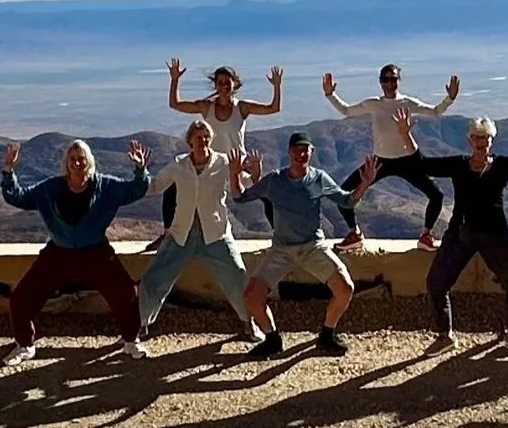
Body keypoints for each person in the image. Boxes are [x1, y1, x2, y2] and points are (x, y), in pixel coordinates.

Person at [389, 104, 508, 357]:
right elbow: (422, 164)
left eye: (485, 138)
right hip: (459, 233)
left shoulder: (502, 166)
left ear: (492, 140)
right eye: (476, 137)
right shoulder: (458, 165)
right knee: (436, 283)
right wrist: (404, 133)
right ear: (469, 139)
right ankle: (445, 336)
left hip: (495, 234)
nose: (480, 142)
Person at [0, 138, 152, 366]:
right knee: (21, 297)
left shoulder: (106, 187)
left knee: (126, 294)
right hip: (58, 254)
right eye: (73, 159)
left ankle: (131, 340)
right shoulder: (49, 188)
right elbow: (18, 197)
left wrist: (140, 169)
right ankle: (25, 345)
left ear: (89, 161)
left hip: (96, 253)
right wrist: (9, 171)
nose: (77, 163)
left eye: (81, 159)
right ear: (66, 163)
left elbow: (136, 189)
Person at [230, 132, 377, 359]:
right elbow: (240, 197)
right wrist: (234, 175)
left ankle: (327, 335)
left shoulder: (319, 178)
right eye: (297, 149)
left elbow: (347, 200)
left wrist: (365, 184)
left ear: (312, 152)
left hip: (313, 247)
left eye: (305, 150)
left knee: (345, 289)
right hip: (281, 249)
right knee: (252, 296)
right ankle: (272, 339)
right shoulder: (275, 181)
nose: (301, 154)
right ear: (289, 152)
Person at [137, 119, 264, 344]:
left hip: (216, 233)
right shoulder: (178, 165)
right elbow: (155, 186)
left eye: (206, 137)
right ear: (189, 141)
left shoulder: (223, 163)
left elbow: (245, 186)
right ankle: (140, 324)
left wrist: (255, 173)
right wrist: (141, 170)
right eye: (198, 137)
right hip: (181, 233)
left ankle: (249, 323)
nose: (202, 141)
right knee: (154, 278)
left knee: (237, 275)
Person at [324, 64, 461, 251]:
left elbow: (435, 111)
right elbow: (347, 111)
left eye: (393, 79)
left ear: (399, 80)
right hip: (380, 161)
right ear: (380, 82)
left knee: (436, 195)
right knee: (344, 194)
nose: (390, 83)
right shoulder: (374, 103)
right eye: (386, 79)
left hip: (408, 161)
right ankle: (354, 233)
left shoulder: (408, 103)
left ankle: (426, 235)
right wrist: (331, 95)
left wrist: (449, 99)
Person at [161, 58, 283, 238]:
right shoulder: (206, 107)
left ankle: (281, 235)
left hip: (237, 167)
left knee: (268, 194)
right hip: (211, 167)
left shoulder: (242, 108)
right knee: (172, 189)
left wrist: (277, 86)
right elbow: (175, 104)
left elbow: (273, 108)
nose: (224, 86)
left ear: (235, 84)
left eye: (228, 82)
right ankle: (167, 235)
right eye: (220, 83)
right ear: (215, 85)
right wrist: (174, 79)